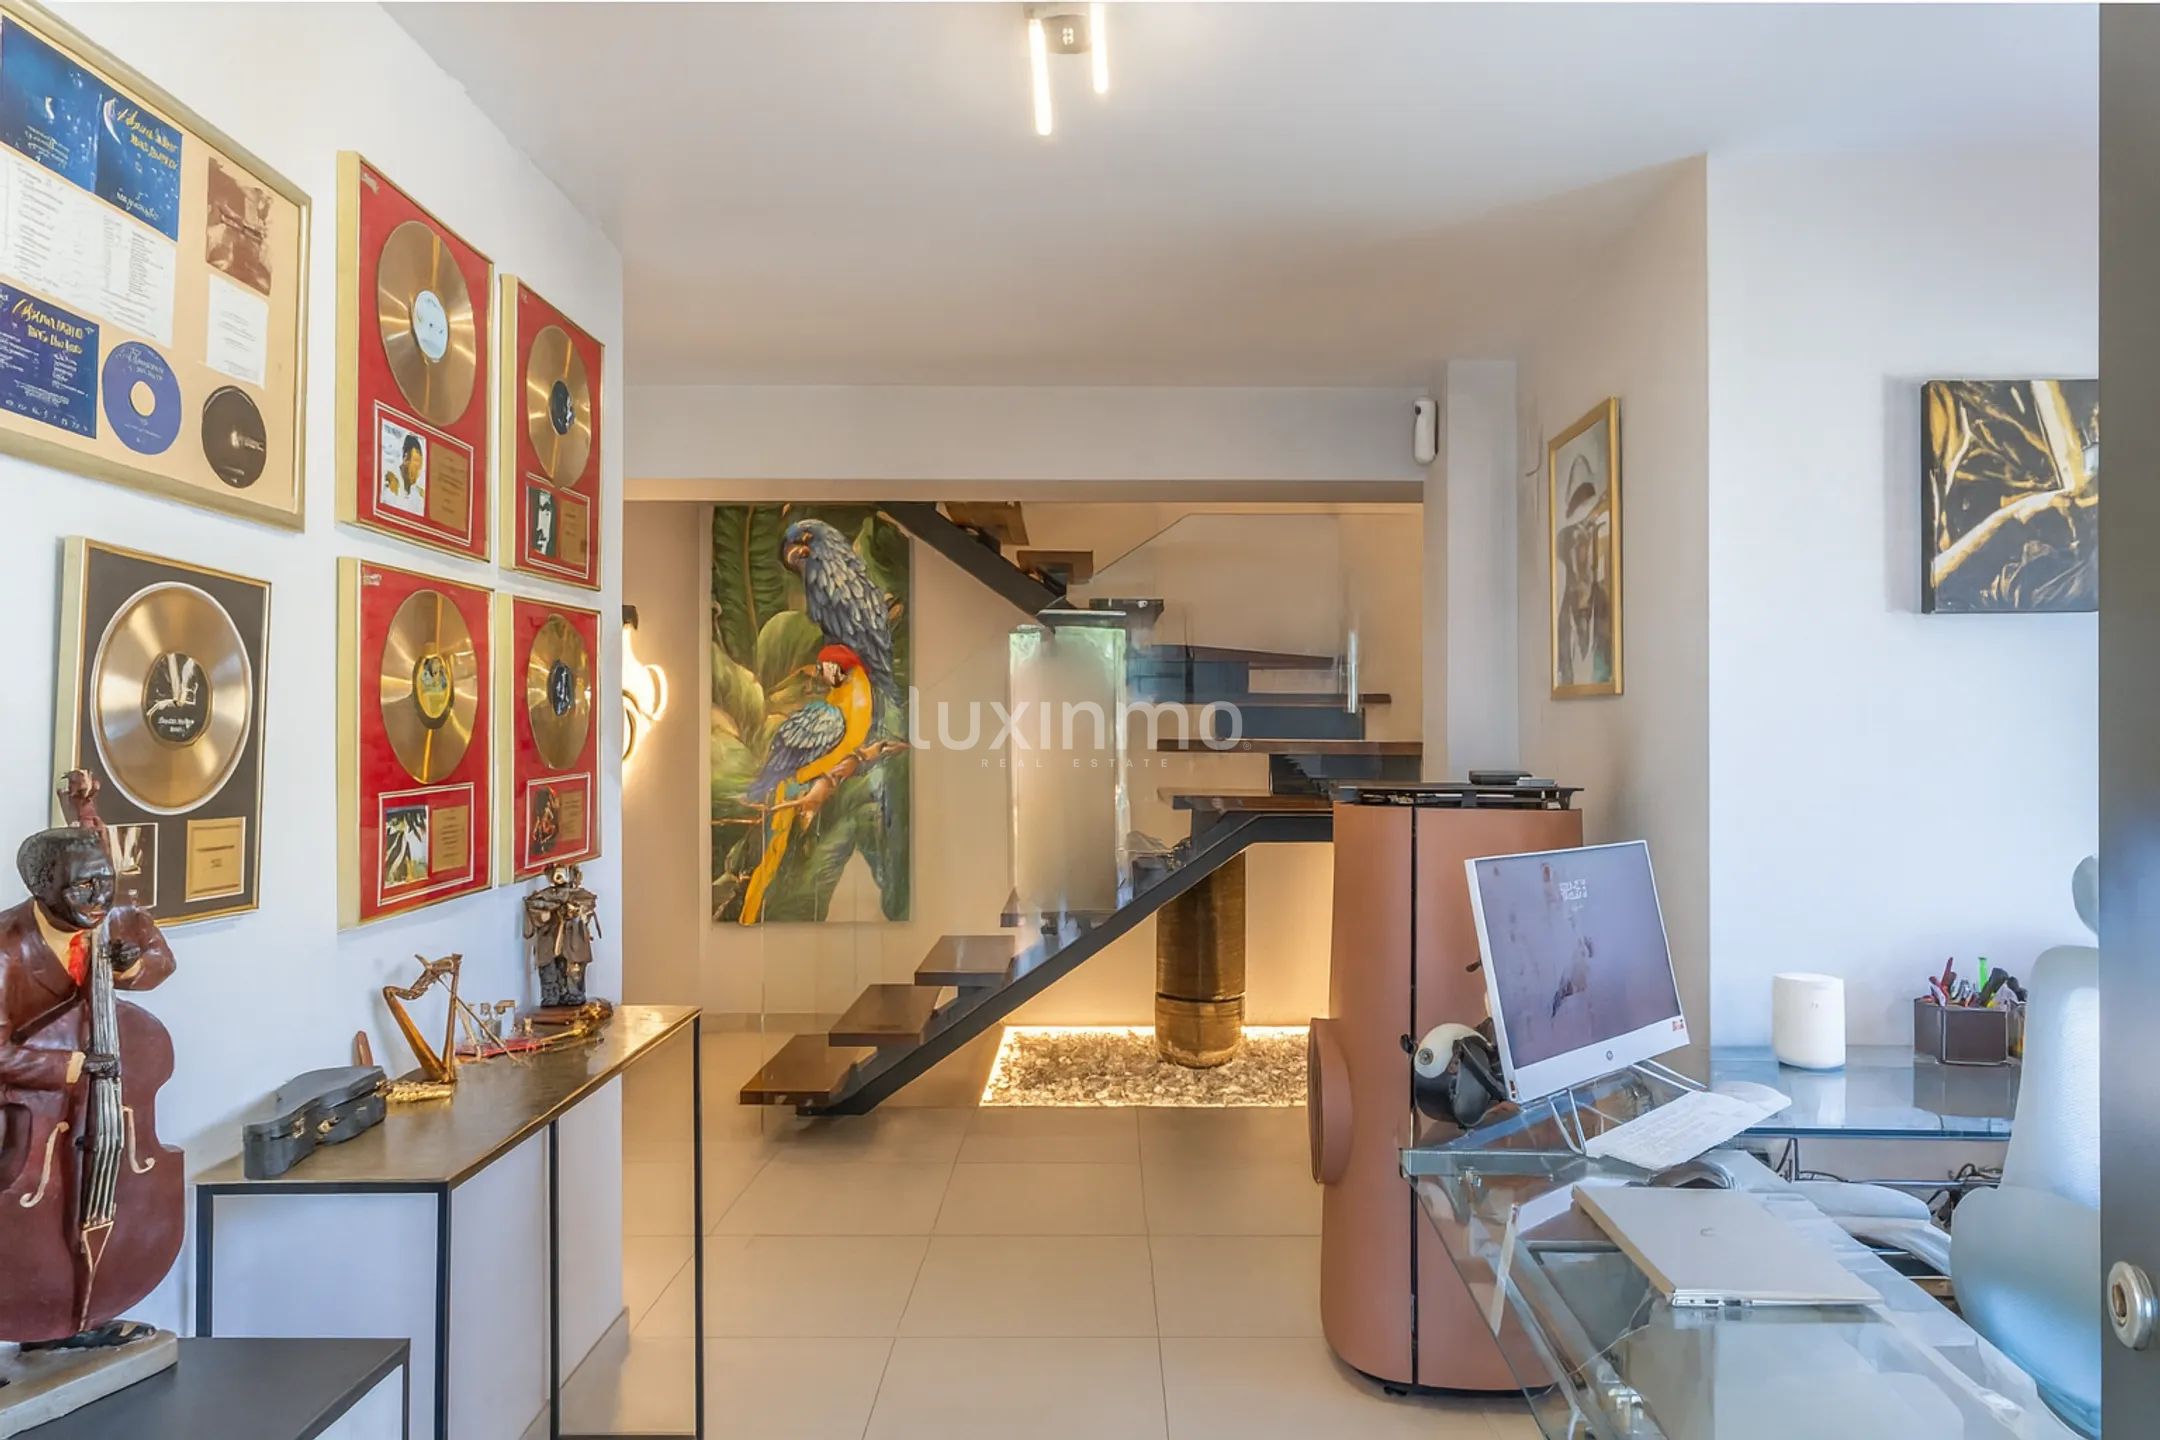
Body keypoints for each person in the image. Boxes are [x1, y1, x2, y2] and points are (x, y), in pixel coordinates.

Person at [0, 827, 174, 1098]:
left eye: (106, 880)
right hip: (27, 1096)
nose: (100, 898)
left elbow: (163, 961)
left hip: (96, 1084)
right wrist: (72, 1066)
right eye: (83, 886)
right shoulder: (6, 946)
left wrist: (131, 967)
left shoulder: (121, 915)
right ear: (40, 887)